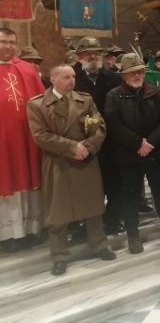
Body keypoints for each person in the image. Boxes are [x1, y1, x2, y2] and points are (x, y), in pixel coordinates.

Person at [27, 65, 116, 276]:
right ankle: (59, 256)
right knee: (58, 212)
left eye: (73, 76)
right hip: (59, 162)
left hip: (86, 159)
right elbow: (40, 135)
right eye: (66, 77)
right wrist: (72, 148)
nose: (72, 80)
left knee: (94, 207)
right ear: (53, 79)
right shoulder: (37, 104)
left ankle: (99, 244)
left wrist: (88, 147)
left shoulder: (85, 100)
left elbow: (99, 126)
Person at [104, 53, 160, 253]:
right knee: (131, 195)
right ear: (124, 75)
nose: (137, 75)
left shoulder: (155, 92)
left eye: (140, 71)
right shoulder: (114, 96)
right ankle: (133, 235)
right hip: (128, 154)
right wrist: (138, 143)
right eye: (132, 73)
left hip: (154, 152)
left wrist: (151, 142)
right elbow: (113, 124)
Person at [73, 37, 124, 235]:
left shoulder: (114, 78)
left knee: (113, 183)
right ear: (79, 57)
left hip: (111, 140)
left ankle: (112, 219)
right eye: (88, 53)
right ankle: (86, 224)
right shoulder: (72, 77)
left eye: (96, 53)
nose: (93, 56)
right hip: (83, 141)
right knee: (86, 186)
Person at [0, 27, 44, 252]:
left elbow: (43, 103)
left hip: (28, 139)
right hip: (3, 142)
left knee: (30, 178)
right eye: (3, 42)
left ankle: (33, 228)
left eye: (11, 42)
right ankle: (8, 234)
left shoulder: (27, 69)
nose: (8, 46)